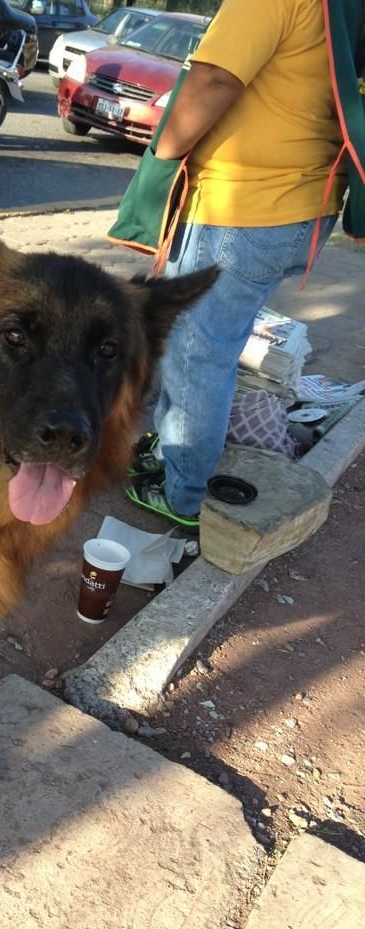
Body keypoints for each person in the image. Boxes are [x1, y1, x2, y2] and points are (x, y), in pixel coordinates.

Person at [124, 0, 358, 531]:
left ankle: (182, 495)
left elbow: (212, 81)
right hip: (301, 201)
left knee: (198, 351)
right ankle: (171, 447)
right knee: (206, 344)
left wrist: (159, 163)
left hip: (244, 209)